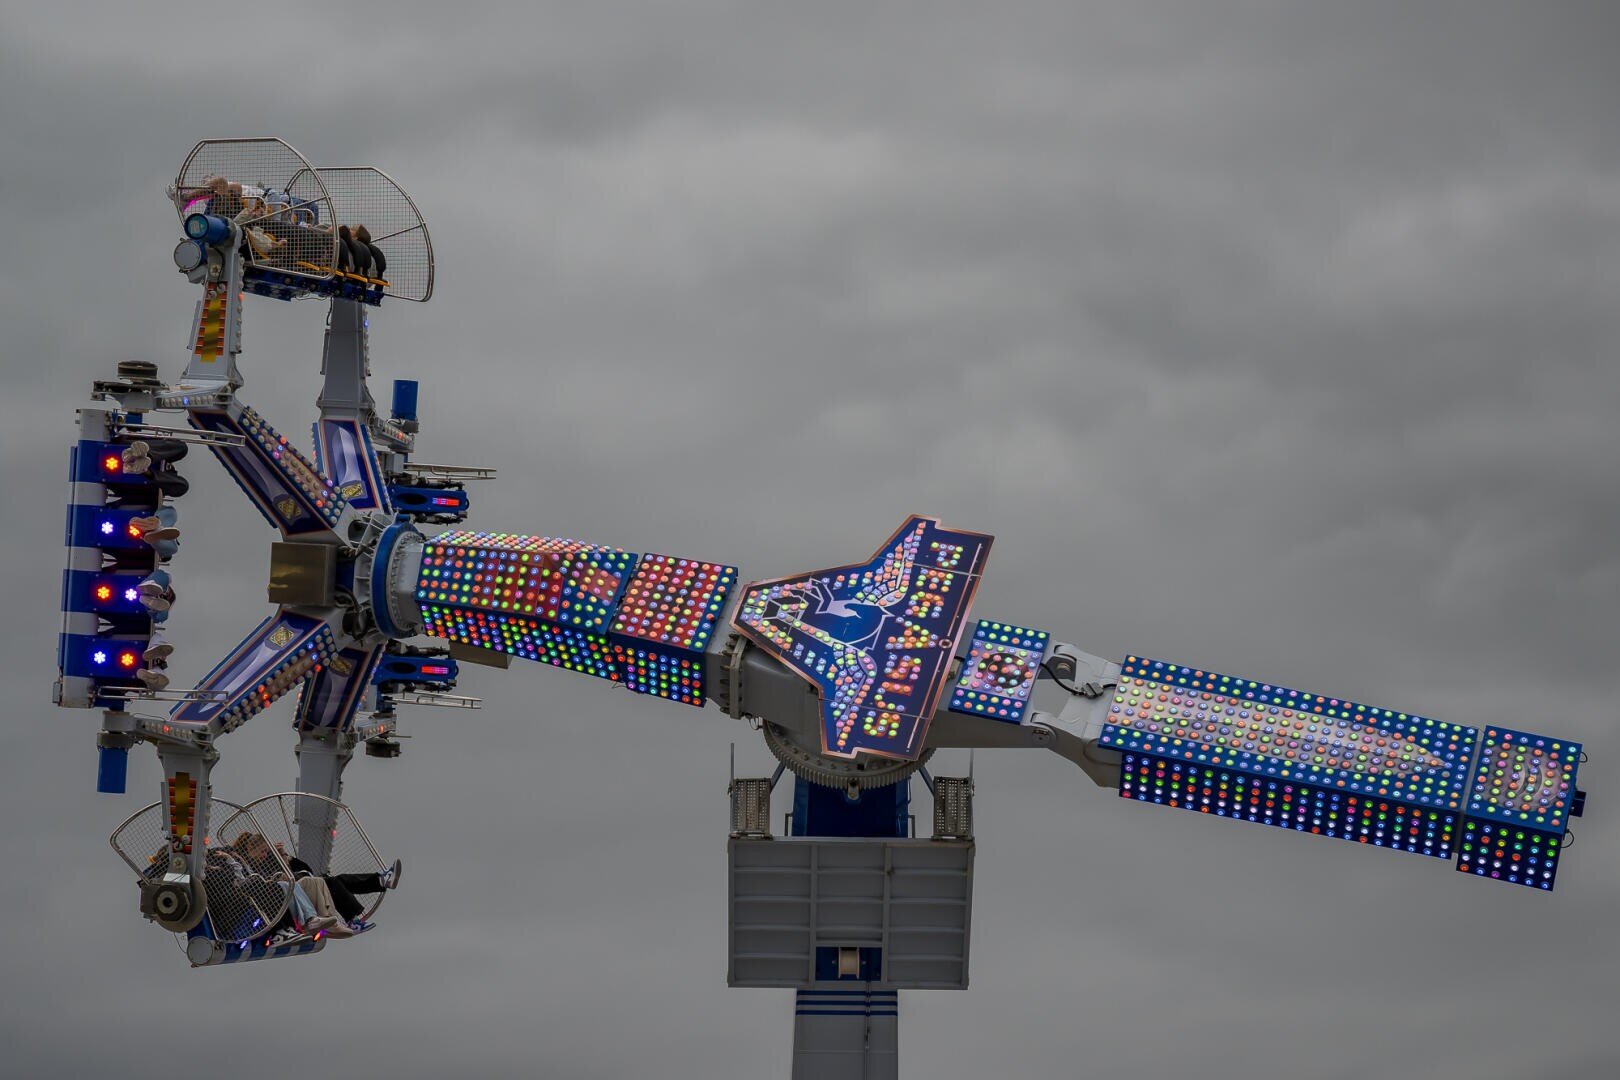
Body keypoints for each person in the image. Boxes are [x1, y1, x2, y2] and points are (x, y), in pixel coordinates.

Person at [234, 832, 401, 938]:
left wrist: (286, 858)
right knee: (322, 881)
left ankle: (379, 881)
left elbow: (306, 870)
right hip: (292, 895)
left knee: (334, 881)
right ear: (251, 849)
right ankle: (337, 920)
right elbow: (270, 882)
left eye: (266, 852)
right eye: (262, 852)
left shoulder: (270, 860)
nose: (264, 855)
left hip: (302, 890)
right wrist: (279, 869)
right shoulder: (251, 865)